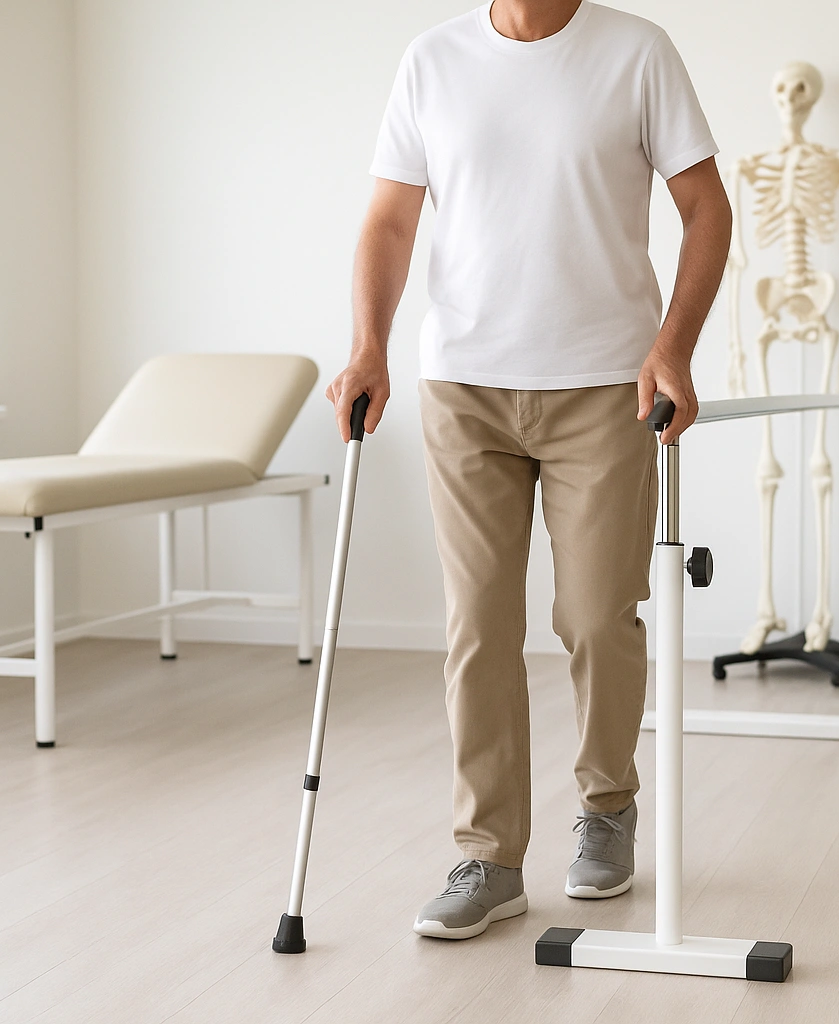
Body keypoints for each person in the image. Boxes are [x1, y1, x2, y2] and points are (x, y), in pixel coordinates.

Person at [326, 0, 730, 940]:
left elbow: (705, 206)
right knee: (478, 625)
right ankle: (489, 853)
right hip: (465, 384)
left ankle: (607, 807)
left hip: (604, 385)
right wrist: (369, 347)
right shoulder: (432, 61)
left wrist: (674, 347)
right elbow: (389, 221)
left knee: (595, 614)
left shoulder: (637, 52)